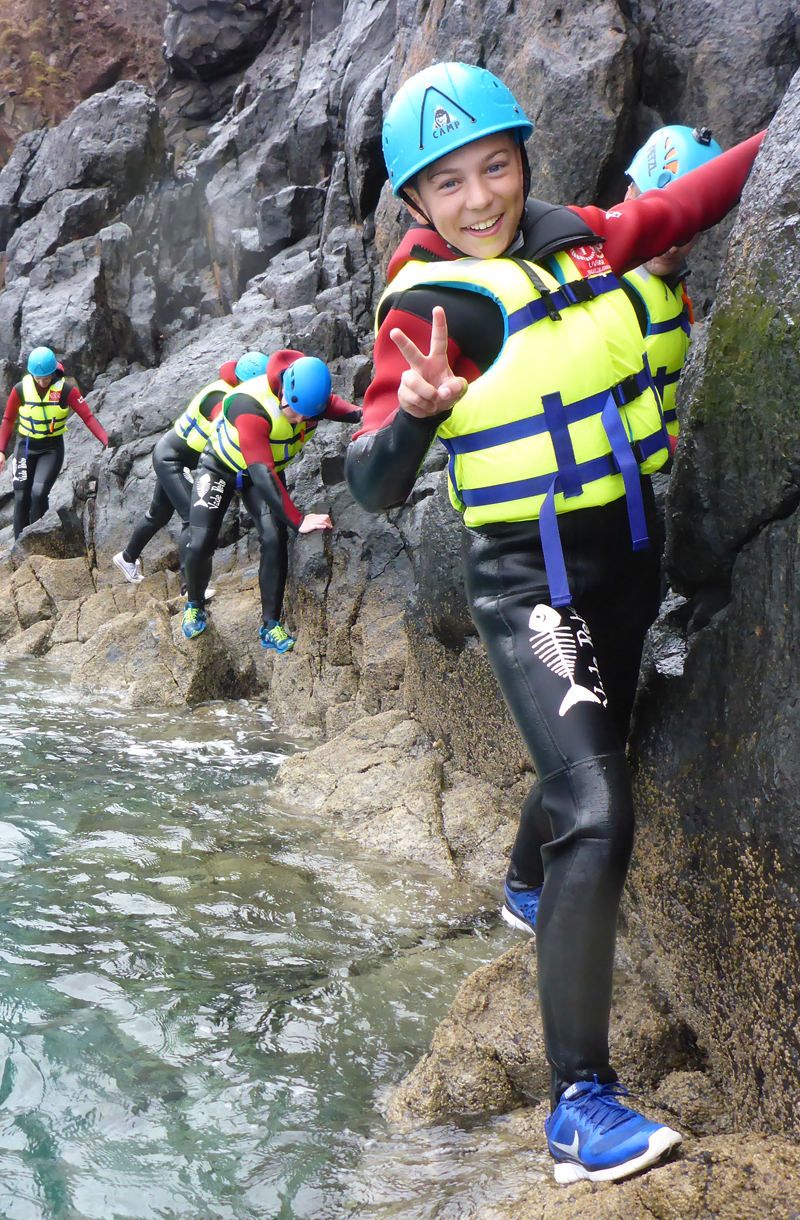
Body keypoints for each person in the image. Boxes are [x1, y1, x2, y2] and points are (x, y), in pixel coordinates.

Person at [344, 61, 764, 1184]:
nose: (478, 199)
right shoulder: (435, 308)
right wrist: (417, 414)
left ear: (523, 159)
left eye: (493, 166)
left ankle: (527, 887)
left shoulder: (574, 239)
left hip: (623, 563)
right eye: (446, 185)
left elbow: (676, 207)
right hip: (527, 579)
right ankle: (579, 1105)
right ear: (415, 205)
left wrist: (773, 145)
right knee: (594, 795)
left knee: (593, 744)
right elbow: (371, 483)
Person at [182, 350, 361, 648]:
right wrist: (299, 520)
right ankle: (194, 606)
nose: (302, 420)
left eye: (310, 415)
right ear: (284, 394)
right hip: (221, 468)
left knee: (274, 538)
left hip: (262, 474)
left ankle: (270, 626)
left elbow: (357, 413)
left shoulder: (314, 403)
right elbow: (261, 471)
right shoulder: (249, 406)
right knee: (201, 541)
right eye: (296, 411)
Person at [111, 351, 268, 589]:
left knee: (158, 514)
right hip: (173, 459)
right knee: (192, 518)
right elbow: (228, 426)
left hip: (171, 453)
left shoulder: (234, 392)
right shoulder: (220, 397)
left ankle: (126, 558)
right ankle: (190, 588)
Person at [621, 125, 723, 446]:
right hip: (633, 463)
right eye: (661, 223)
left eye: (686, 231)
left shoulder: (671, 285)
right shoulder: (608, 288)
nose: (671, 245)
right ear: (630, 197)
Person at [0, 347, 108, 537]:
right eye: (38, 377)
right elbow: (8, 419)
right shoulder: (20, 389)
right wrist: (1, 450)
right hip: (25, 446)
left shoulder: (66, 390)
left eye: (47, 377)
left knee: (38, 493)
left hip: (51, 450)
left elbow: (88, 417)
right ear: (31, 374)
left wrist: (106, 441)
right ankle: (19, 546)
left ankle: (37, 539)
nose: (42, 382)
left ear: (53, 373)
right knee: (21, 495)